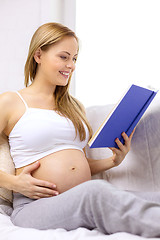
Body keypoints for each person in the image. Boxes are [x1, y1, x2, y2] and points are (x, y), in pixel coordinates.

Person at [0, 22, 159, 238]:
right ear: (39, 55)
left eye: (74, 59)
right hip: (34, 206)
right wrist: (14, 182)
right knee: (95, 193)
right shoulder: (11, 101)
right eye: (64, 57)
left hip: (78, 198)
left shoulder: (74, 106)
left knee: (152, 197)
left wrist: (113, 162)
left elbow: (78, 164)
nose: (71, 65)